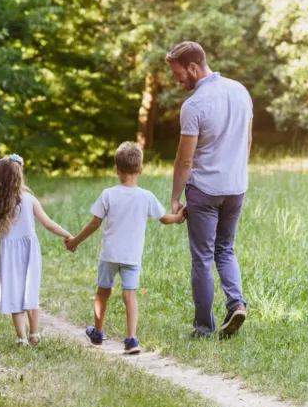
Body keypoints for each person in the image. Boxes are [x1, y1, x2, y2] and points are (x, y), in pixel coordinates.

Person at [166, 41, 253, 339]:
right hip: (236, 186)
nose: (177, 81)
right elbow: (247, 141)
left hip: (205, 190)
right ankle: (236, 303)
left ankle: (203, 327)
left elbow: (185, 159)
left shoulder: (194, 105)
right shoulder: (240, 91)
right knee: (225, 249)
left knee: (202, 256)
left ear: (193, 67)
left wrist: (176, 198)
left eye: (178, 73)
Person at [65, 142, 185, 354]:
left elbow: (94, 223)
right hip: (131, 256)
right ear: (140, 170)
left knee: (102, 293)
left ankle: (98, 334)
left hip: (109, 255)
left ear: (116, 170)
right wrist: (178, 217)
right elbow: (164, 218)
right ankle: (131, 340)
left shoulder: (108, 194)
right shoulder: (145, 196)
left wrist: (75, 241)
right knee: (129, 295)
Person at [0, 154, 72, 346]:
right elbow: (48, 223)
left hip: (9, 254)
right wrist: (68, 235)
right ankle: (35, 334)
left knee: (14, 293)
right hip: (29, 252)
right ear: (19, 176)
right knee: (30, 291)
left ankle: (21, 338)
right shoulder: (29, 199)